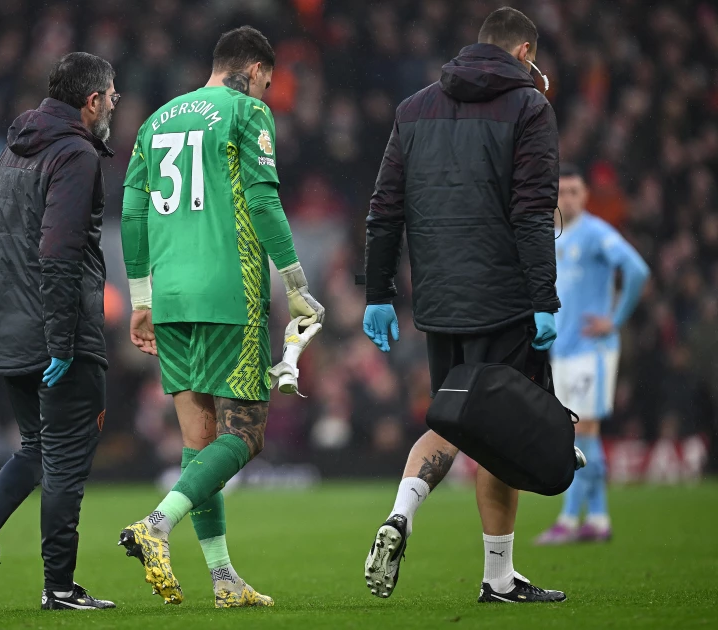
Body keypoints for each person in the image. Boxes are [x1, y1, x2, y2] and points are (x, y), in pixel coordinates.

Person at [362, 7, 568, 603]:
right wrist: (543, 299)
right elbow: (532, 212)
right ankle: (499, 577)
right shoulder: (530, 108)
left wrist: (378, 294)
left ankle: (400, 515)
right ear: (525, 51)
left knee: (448, 418)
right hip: (503, 301)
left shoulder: (414, 108)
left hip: (438, 302)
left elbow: (383, 211)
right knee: (500, 435)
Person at [119, 26, 324, 608]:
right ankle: (156, 524)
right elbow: (261, 200)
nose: (265, 90)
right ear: (257, 70)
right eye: (267, 80)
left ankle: (223, 578)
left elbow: (132, 212)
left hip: (172, 299)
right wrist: (296, 285)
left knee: (199, 441)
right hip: (229, 294)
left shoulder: (156, 120)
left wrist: (141, 298)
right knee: (246, 433)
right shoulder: (246, 113)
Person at [0, 52, 118, 611]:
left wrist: (5, 326)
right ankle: (60, 588)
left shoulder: (12, 151)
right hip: (57, 333)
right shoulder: (75, 153)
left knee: (36, 447)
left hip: (7, 326)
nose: (115, 106)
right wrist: (60, 338)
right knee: (67, 460)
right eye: (112, 96)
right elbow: (60, 251)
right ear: (91, 100)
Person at [536, 164, 649, 545]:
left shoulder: (598, 233)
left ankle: (569, 521)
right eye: (561, 192)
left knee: (582, 431)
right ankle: (598, 519)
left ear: (585, 196)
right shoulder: (551, 237)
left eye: (573, 191)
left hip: (592, 350)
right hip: (563, 351)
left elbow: (637, 270)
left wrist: (614, 320)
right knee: (581, 433)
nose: (566, 198)